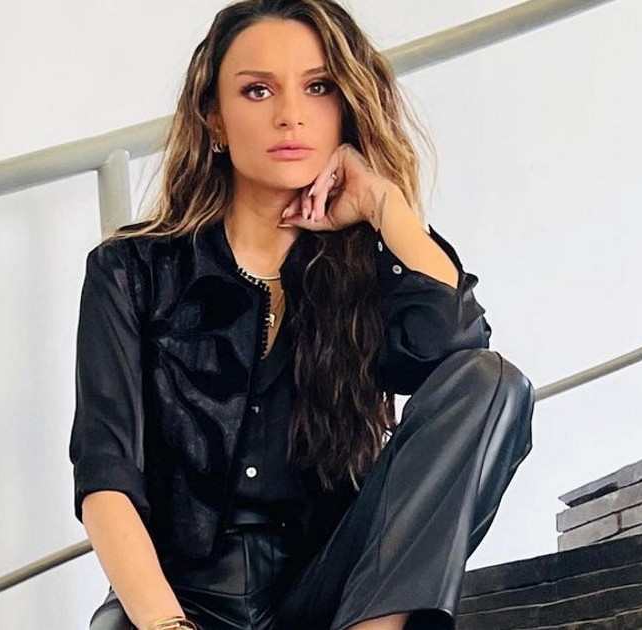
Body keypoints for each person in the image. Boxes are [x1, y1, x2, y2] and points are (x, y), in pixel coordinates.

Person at [68, 1, 537, 629]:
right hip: (177, 600)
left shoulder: (365, 271)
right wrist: (167, 626)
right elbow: (106, 475)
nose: (290, 114)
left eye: (318, 87)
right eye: (257, 90)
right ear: (215, 118)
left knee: (492, 380)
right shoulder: (130, 270)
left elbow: (457, 352)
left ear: (345, 108)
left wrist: (385, 204)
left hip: (328, 594)